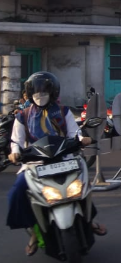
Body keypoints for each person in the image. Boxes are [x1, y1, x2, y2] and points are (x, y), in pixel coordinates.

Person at [7, 71, 106, 256]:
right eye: (36, 91)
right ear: (29, 94)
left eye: (44, 91)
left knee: (83, 185)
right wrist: (15, 153)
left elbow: (74, 133)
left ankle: (89, 220)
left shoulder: (63, 111)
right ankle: (34, 232)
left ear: (53, 92)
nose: (40, 95)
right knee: (17, 192)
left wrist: (81, 139)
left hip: (64, 159)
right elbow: (16, 142)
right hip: (34, 164)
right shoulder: (23, 116)